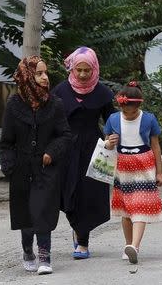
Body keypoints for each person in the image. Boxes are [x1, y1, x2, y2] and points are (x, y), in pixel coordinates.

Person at [0, 56, 71, 275]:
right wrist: (9, 165)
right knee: (25, 215)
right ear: (27, 76)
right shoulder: (13, 105)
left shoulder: (55, 104)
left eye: (45, 72)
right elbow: (6, 142)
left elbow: (66, 136)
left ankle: (44, 256)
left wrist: (51, 152)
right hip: (21, 168)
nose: (44, 77)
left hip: (45, 168)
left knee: (42, 211)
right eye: (39, 73)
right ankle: (27, 250)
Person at [53, 46, 116, 259]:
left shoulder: (103, 93)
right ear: (71, 68)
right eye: (78, 70)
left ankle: (82, 241)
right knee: (67, 191)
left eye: (86, 70)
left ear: (94, 69)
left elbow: (112, 123)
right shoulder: (60, 91)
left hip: (94, 149)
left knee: (88, 195)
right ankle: (76, 227)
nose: (82, 74)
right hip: (66, 148)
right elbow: (51, 122)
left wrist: (112, 138)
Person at [103, 81, 162, 264]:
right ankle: (128, 244)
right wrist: (109, 142)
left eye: (131, 112)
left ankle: (135, 246)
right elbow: (105, 142)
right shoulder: (113, 119)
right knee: (126, 210)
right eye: (125, 111)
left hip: (144, 165)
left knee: (140, 205)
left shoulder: (149, 119)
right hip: (122, 166)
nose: (128, 115)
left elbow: (155, 146)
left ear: (139, 105)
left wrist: (159, 172)